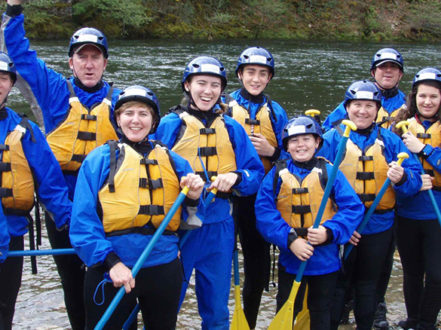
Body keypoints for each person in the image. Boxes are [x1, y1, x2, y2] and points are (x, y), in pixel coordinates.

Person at [3, 1, 122, 328]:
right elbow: (20, 53)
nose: (88, 64)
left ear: (104, 63)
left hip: (107, 204)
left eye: (95, 57)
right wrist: (14, 10)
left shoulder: (122, 101)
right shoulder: (55, 90)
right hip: (63, 205)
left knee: (106, 273)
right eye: (81, 56)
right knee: (72, 279)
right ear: (71, 61)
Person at [69, 85, 205, 329]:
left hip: (163, 268)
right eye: (128, 113)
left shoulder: (175, 162)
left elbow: (192, 217)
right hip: (111, 269)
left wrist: (194, 196)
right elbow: (82, 223)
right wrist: (111, 263)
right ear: (118, 119)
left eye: (143, 114)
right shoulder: (98, 160)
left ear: (153, 121)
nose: (135, 120)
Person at [153, 56, 264, 329]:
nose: (208, 91)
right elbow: (152, 172)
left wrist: (236, 177)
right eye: (201, 83)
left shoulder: (232, 127)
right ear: (188, 85)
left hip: (219, 226)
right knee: (168, 304)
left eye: (215, 85)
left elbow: (255, 173)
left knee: (216, 310)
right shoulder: (170, 124)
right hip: (178, 227)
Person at [318, 80, 422, 330]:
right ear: (347, 108)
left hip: (378, 226)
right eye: (357, 105)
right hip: (342, 227)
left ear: (377, 110)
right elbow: (316, 183)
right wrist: (340, 226)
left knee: (368, 287)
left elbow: (415, 179)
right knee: (337, 286)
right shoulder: (331, 139)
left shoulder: (391, 141)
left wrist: (403, 178)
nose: (362, 111)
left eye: (368, 106)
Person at [254, 115, 364, 329]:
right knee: (286, 306)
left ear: (317, 143)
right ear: (286, 146)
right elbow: (264, 213)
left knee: (322, 310)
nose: (300, 145)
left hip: (325, 262)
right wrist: (290, 239)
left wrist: (329, 232)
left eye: (306, 139)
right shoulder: (277, 174)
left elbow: (353, 208)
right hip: (291, 259)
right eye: (294, 141)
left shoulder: (330, 172)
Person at [0, 52, 72, 330]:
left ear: (11, 84)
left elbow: (52, 187)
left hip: (12, 238)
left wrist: (76, 230)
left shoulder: (25, 130)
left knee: (4, 310)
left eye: (4, 78)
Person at [225, 46, 288, 328]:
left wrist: (273, 152)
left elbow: (296, 157)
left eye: (263, 74)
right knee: (218, 263)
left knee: (257, 270)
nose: (256, 78)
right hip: (227, 197)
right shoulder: (223, 107)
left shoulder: (275, 113)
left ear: (269, 78)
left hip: (260, 199)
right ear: (240, 74)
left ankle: (247, 321)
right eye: (250, 72)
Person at [392, 67, 441, 330]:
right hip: (408, 209)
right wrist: (408, 181)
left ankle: (427, 322)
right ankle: (412, 320)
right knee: (411, 271)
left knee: (437, 274)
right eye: (423, 96)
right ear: (415, 97)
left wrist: (424, 149)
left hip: (437, 210)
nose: (428, 101)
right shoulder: (400, 125)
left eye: (434, 96)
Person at [323, 48, 405, 131]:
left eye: (393, 67)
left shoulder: (407, 103)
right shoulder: (356, 98)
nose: (388, 70)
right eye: (383, 66)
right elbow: (328, 128)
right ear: (373, 72)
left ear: (400, 74)